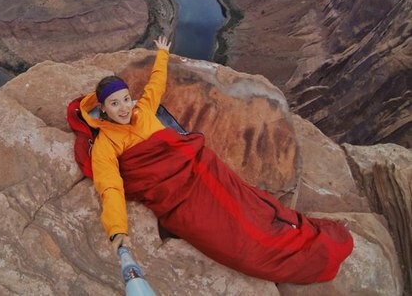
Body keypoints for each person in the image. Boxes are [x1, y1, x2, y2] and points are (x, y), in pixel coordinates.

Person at [68, 36, 353, 284]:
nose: (123, 108)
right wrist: (118, 232)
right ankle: (300, 251)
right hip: (177, 196)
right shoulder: (106, 144)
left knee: (251, 206)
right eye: (114, 103)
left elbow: (156, 82)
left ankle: (297, 235)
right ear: (102, 109)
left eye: (125, 99)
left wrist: (163, 53)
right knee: (234, 243)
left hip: (202, 167)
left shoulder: (143, 110)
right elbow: (110, 188)